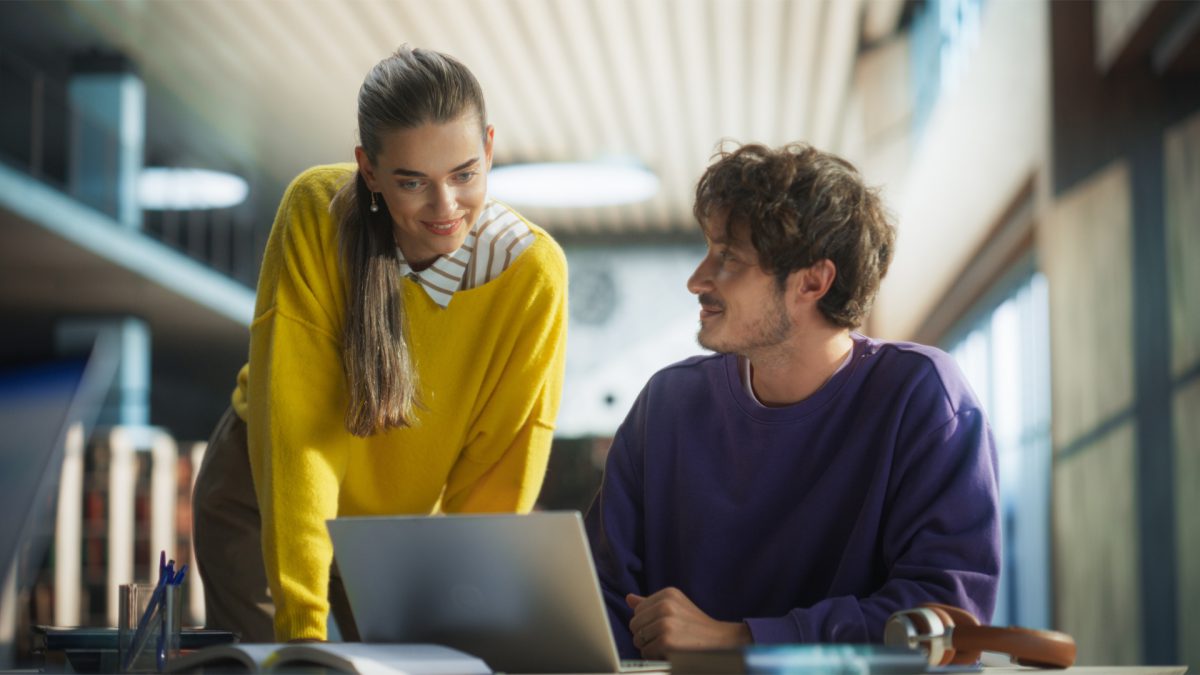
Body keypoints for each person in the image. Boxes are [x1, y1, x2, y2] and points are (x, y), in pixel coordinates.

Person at [192, 45, 568, 643]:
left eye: (465, 173)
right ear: (368, 168)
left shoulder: (532, 275)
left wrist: (464, 625)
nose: (446, 208)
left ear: (490, 147)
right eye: (412, 181)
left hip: (396, 531)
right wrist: (303, 638)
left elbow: (500, 471)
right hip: (264, 498)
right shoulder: (316, 214)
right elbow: (299, 439)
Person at [584, 142, 1000, 659]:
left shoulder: (922, 396)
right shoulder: (666, 404)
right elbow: (601, 603)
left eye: (728, 257)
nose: (697, 280)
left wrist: (740, 640)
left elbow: (944, 616)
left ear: (812, 281)